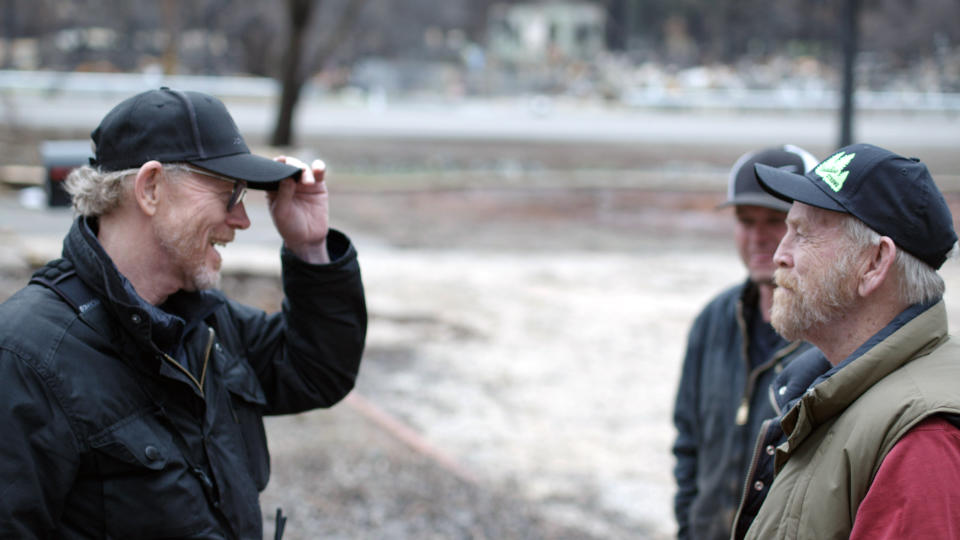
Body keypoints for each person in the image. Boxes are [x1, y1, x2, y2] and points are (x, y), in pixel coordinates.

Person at [0, 88, 367, 539]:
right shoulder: (26, 357)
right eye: (229, 193)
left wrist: (310, 247)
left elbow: (315, 371)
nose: (243, 220)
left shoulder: (203, 322)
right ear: (151, 188)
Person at [736, 143, 960, 539]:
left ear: (874, 263)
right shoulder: (829, 394)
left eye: (802, 235)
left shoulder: (923, 436)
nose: (778, 255)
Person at [672, 145, 818, 540]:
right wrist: (689, 526)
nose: (757, 236)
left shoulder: (833, 337)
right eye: (744, 219)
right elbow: (688, 443)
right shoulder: (713, 320)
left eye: (775, 219)